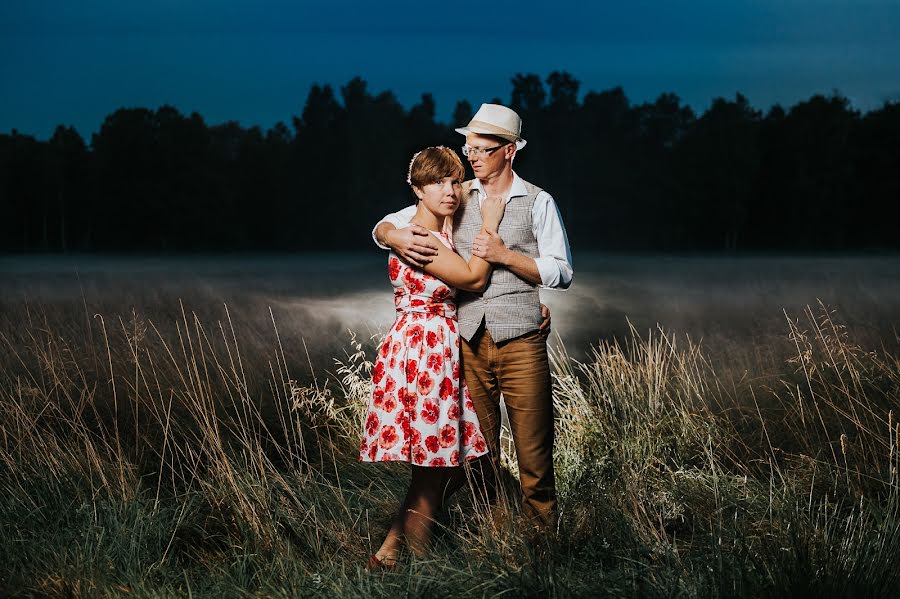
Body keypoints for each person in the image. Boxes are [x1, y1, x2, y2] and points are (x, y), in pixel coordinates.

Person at [373, 103, 573, 530]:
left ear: (510, 151)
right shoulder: (458, 194)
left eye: (482, 148)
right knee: (473, 454)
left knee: (534, 459)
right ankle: (492, 539)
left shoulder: (538, 201)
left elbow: (562, 270)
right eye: (469, 148)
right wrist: (390, 234)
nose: (472, 156)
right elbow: (396, 218)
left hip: (521, 340)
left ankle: (545, 552)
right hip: (464, 344)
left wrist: (508, 258)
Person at [360, 146, 506, 568]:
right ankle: (425, 569)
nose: (450, 190)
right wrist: (491, 227)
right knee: (434, 467)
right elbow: (474, 278)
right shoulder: (421, 237)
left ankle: (389, 550)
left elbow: (385, 225)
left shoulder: (418, 226)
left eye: (454, 181)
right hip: (428, 352)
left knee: (451, 460)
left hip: (431, 347)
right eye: (437, 183)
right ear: (417, 191)